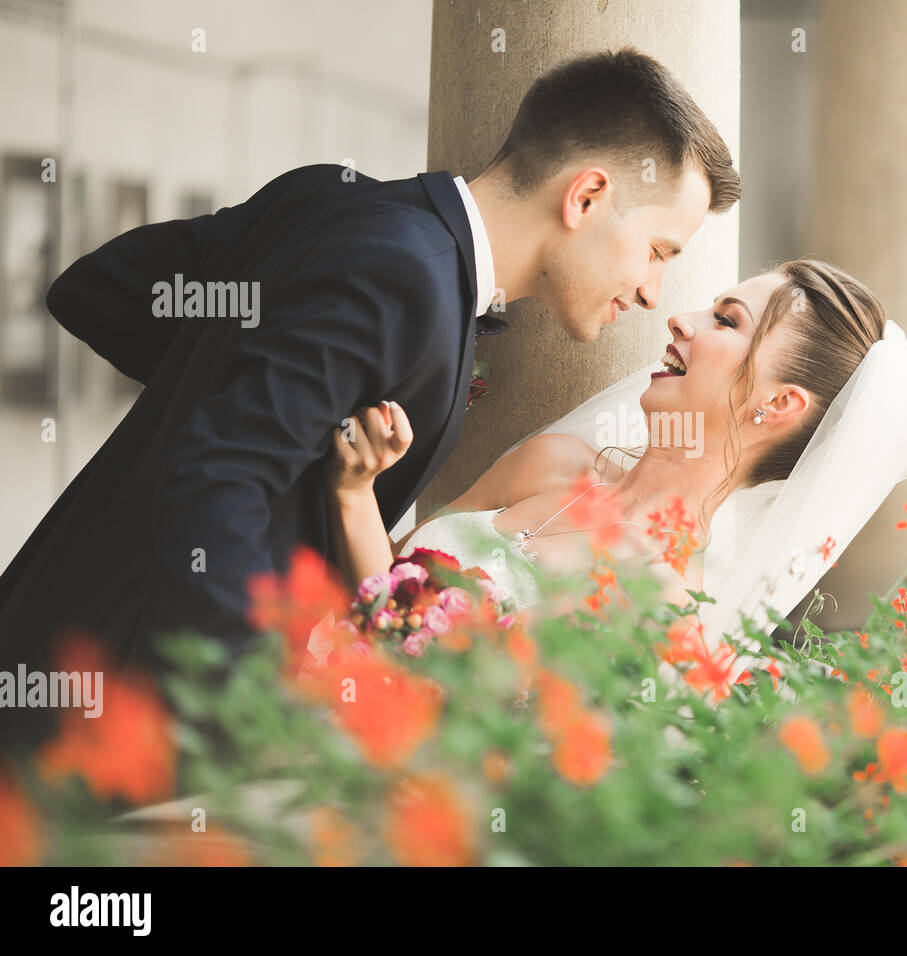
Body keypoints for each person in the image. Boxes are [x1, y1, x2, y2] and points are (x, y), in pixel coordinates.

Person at [0, 47, 739, 752]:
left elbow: (102, 291)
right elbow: (217, 472)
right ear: (585, 196)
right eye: (659, 251)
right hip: (123, 705)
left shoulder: (331, 198)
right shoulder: (404, 275)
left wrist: (248, 387)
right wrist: (253, 719)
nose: (651, 291)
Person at [324, 260, 907, 643]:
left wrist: (352, 500)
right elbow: (377, 593)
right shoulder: (552, 463)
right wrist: (354, 489)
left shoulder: (663, 606)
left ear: (778, 404)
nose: (680, 320)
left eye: (726, 321)